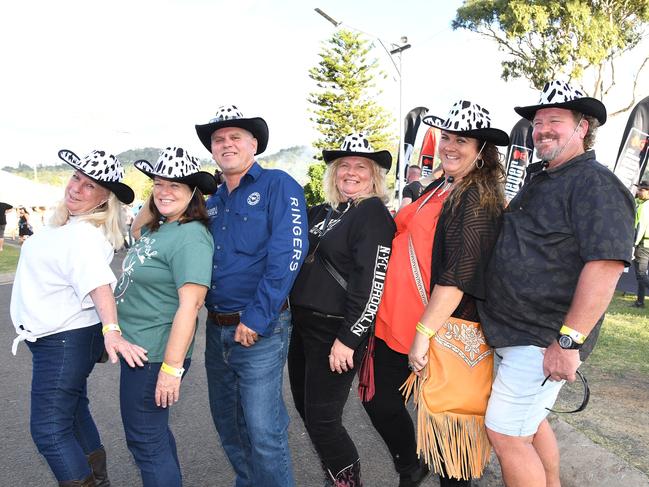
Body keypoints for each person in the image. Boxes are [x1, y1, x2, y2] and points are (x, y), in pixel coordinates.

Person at [479, 80, 635, 487]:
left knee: (506, 434)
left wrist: (568, 342)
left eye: (555, 121)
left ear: (582, 127)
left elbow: (604, 266)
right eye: (538, 122)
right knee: (530, 426)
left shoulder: (595, 184)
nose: (542, 129)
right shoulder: (544, 177)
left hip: (543, 338)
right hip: (516, 334)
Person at [363, 100, 510, 487]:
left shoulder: (478, 196)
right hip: (398, 320)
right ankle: (412, 465)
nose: (449, 146)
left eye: (461, 140)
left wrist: (424, 334)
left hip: (440, 329)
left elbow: (460, 274)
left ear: (481, 150)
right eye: (446, 136)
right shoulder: (441, 186)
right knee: (378, 401)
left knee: (448, 434)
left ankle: (428, 470)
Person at [10, 149, 147, 487]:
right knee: (72, 412)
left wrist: (112, 332)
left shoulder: (82, 234)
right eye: (76, 179)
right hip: (59, 338)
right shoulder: (67, 225)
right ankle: (97, 480)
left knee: (48, 429)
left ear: (104, 200)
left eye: (89, 186)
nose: (76, 188)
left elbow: (99, 286)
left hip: (64, 340)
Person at [195, 105, 308, 487]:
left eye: (235, 137)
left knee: (264, 433)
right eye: (218, 139)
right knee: (229, 427)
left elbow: (288, 254)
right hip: (216, 329)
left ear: (254, 144)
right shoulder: (208, 201)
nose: (226, 145)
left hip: (260, 328)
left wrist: (256, 318)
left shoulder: (278, 185)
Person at [288, 133, 396, 485]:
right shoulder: (326, 212)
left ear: (374, 176)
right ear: (333, 173)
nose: (351, 172)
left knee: (323, 420)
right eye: (343, 166)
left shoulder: (373, 214)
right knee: (309, 414)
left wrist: (349, 338)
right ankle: (334, 476)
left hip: (335, 331)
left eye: (360, 166)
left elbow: (372, 283)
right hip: (303, 327)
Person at [115, 146, 217, 487]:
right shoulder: (161, 228)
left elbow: (190, 307)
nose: (164, 191)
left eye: (176, 185)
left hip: (155, 355)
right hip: (139, 351)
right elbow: (137, 228)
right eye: (159, 184)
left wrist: (171, 371)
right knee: (152, 438)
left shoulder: (191, 237)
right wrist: (157, 195)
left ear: (193, 193)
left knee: (145, 442)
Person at [632, 180, 649, 307]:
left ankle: (640, 302)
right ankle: (640, 302)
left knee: (641, 275)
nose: (638, 191)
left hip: (643, 245)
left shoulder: (644, 207)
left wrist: (634, 245)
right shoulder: (642, 204)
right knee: (641, 275)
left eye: (641, 190)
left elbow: (640, 227)